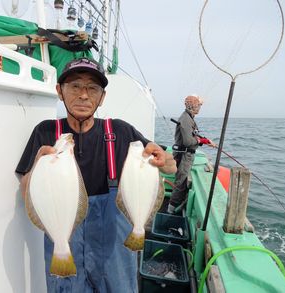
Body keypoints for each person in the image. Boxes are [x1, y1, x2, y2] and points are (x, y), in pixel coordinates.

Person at [16, 57, 176, 293]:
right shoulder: (46, 132)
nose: (83, 95)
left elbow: (169, 167)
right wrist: (37, 168)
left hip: (113, 248)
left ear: (102, 97)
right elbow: (25, 191)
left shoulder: (120, 131)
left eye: (92, 88)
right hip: (65, 236)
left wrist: (164, 159)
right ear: (60, 91)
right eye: (75, 86)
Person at [167, 95, 216, 214]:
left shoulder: (189, 118)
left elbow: (192, 135)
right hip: (184, 156)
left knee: (182, 182)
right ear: (192, 106)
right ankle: (170, 211)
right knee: (181, 183)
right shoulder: (185, 119)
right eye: (198, 105)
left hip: (187, 156)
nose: (199, 107)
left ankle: (173, 209)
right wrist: (201, 141)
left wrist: (205, 140)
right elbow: (188, 141)